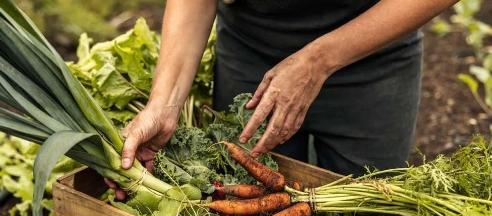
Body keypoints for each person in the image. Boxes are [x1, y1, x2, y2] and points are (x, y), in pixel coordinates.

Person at [120, 0, 458, 177]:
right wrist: (164, 103)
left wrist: (319, 60)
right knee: (247, 198)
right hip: (252, 51)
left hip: (372, 56)